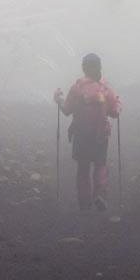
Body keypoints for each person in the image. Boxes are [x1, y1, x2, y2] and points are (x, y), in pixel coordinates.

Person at [55, 52, 121, 212]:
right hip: (101, 135)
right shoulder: (106, 88)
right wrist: (119, 102)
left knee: (83, 168)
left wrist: (58, 98)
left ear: (84, 68)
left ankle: (84, 202)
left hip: (81, 134)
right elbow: (114, 113)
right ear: (99, 67)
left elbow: (67, 110)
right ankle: (100, 194)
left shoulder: (77, 88)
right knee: (100, 164)